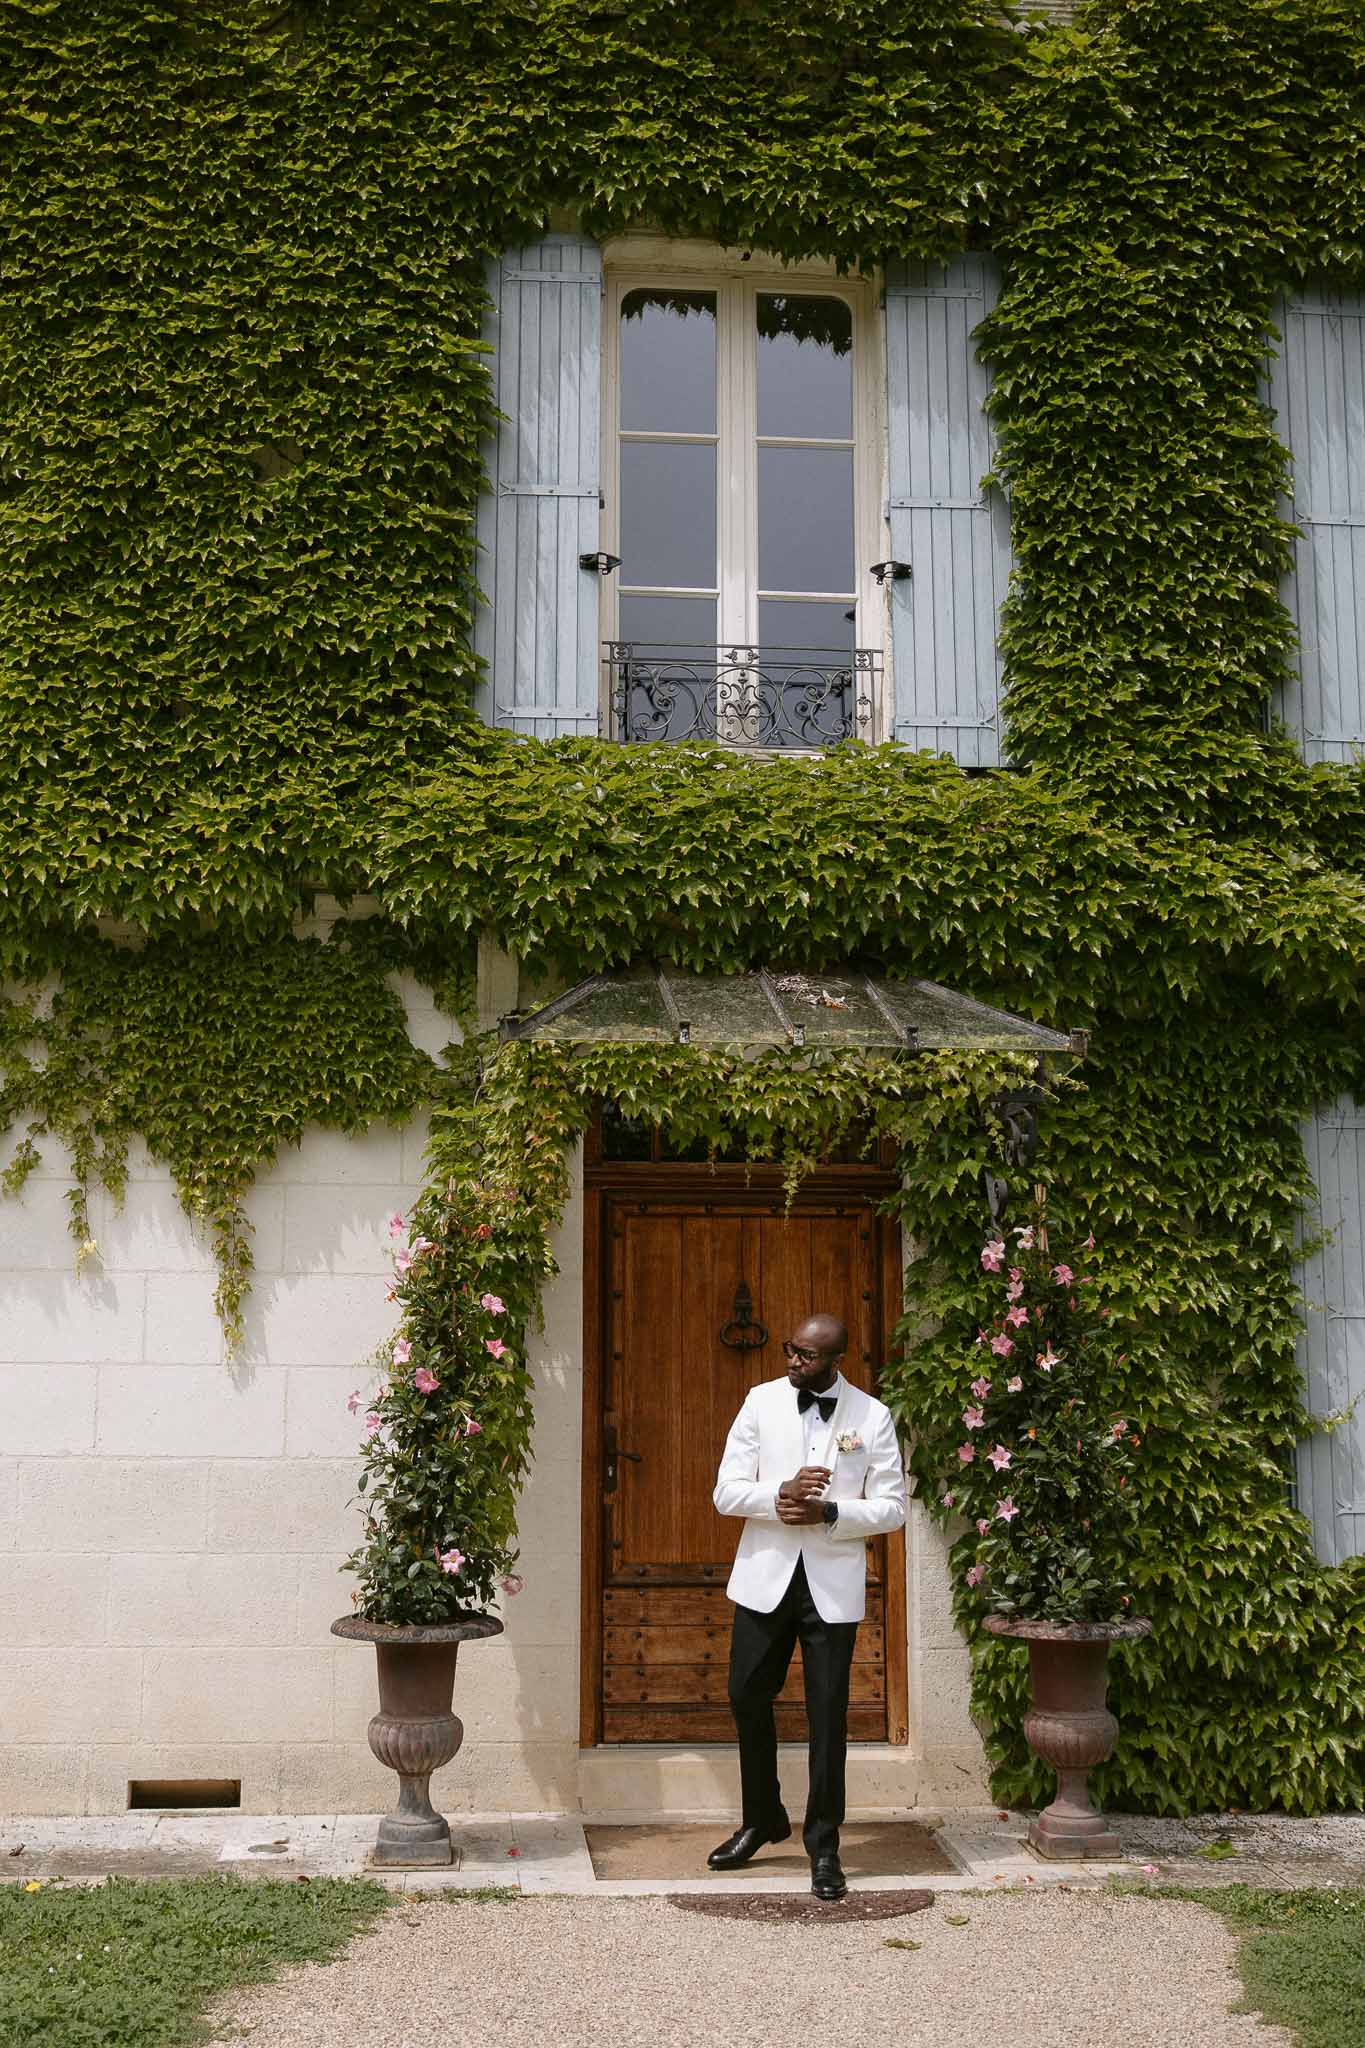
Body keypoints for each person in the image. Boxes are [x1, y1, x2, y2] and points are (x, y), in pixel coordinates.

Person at [709, 1312, 907, 1900]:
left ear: (835, 1359)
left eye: (806, 1355)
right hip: (765, 1579)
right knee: (745, 1692)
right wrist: (780, 1495)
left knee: (827, 1716)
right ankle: (763, 1819)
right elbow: (725, 1491)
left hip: (832, 1585)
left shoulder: (872, 1415)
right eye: (791, 1351)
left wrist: (832, 1513)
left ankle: (824, 1845)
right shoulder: (761, 1402)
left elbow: (893, 1507)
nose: (793, 1361)